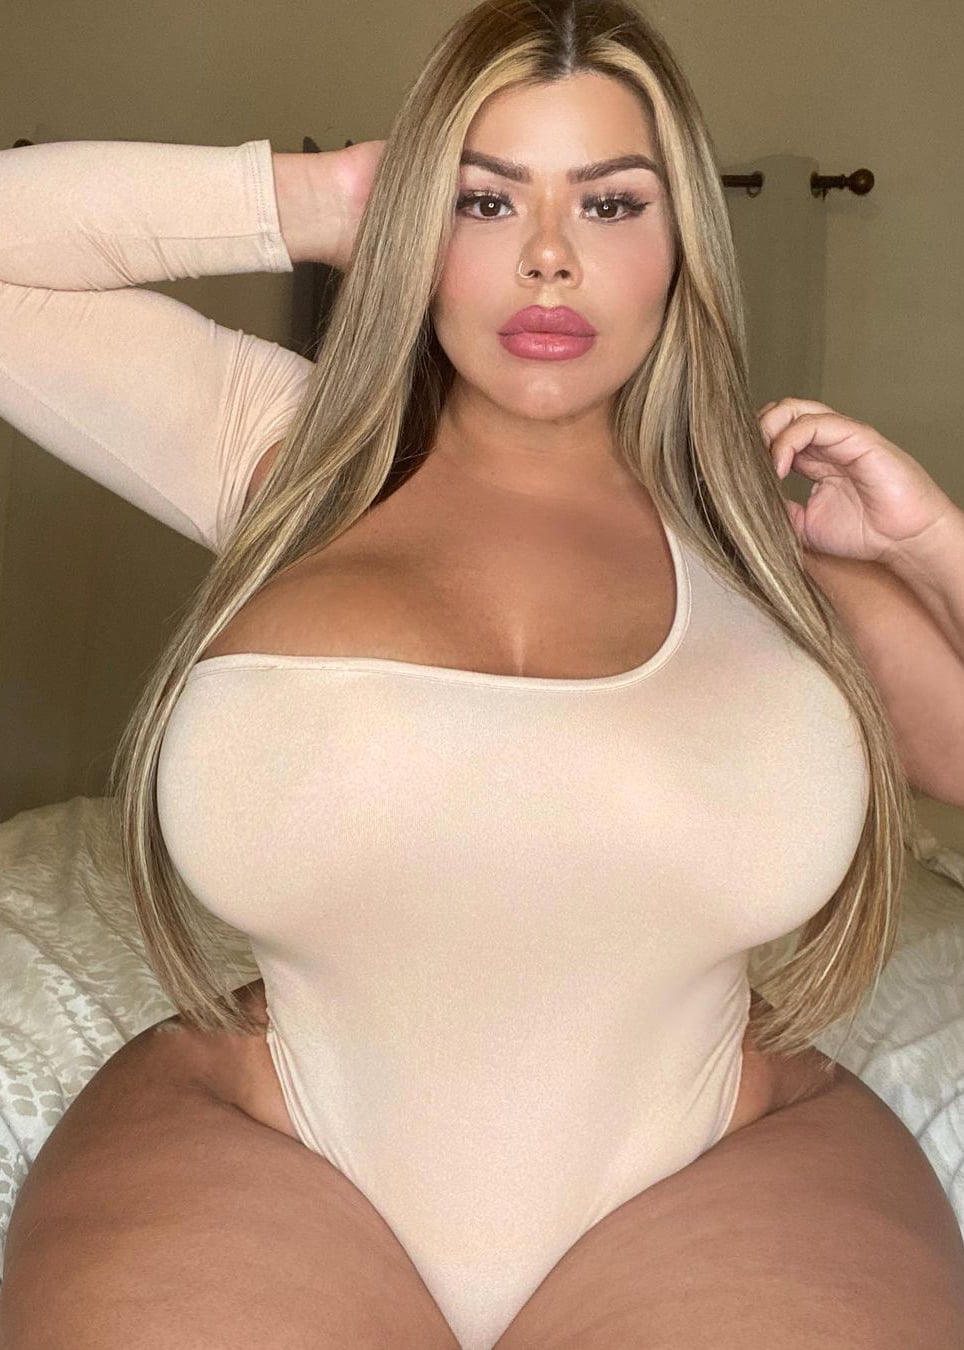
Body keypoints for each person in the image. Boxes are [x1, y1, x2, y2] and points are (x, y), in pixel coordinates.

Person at [1, 1, 963, 1346]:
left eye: (611, 204)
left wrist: (936, 548)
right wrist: (333, 198)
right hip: (269, 1158)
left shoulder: (778, 546)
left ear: (685, 242)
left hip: (722, 1182)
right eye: (485, 200)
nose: (550, 257)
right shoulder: (291, 465)